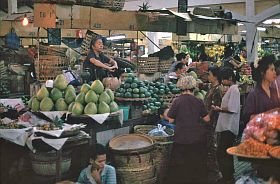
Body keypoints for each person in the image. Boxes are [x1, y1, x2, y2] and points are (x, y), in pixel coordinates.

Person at [165, 76, 210, 184]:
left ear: (180, 86)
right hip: (197, 139)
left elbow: (170, 120)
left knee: (181, 168)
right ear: (193, 87)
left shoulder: (177, 101)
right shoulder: (198, 101)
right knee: (195, 166)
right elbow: (207, 119)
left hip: (181, 139)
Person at [212, 67, 240, 184]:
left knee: (222, 152)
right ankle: (229, 176)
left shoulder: (234, 89)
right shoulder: (232, 89)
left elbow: (232, 108)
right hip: (227, 126)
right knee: (226, 152)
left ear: (230, 78)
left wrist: (219, 109)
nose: (222, 82)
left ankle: (227, 177)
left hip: (228, 127)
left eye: (224, 79)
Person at [243, 55, 279, 124]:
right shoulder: (254, 94)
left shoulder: (275, 91)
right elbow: (247, 118)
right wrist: (269, 114)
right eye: (271, 70)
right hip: (259, 133)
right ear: (262, 72)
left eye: (274, 69)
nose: (275, 72)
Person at [204, 66, 223, 184]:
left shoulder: (217, 89)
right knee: (209, 146)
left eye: (209, 74)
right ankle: (212, 171)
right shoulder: (211, 87)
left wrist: (209, 116)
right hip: (208, 121)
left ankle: (216, 173)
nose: (208, 76)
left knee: (212, 147)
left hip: (212, 122)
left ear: (215, 76)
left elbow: (216, 106)